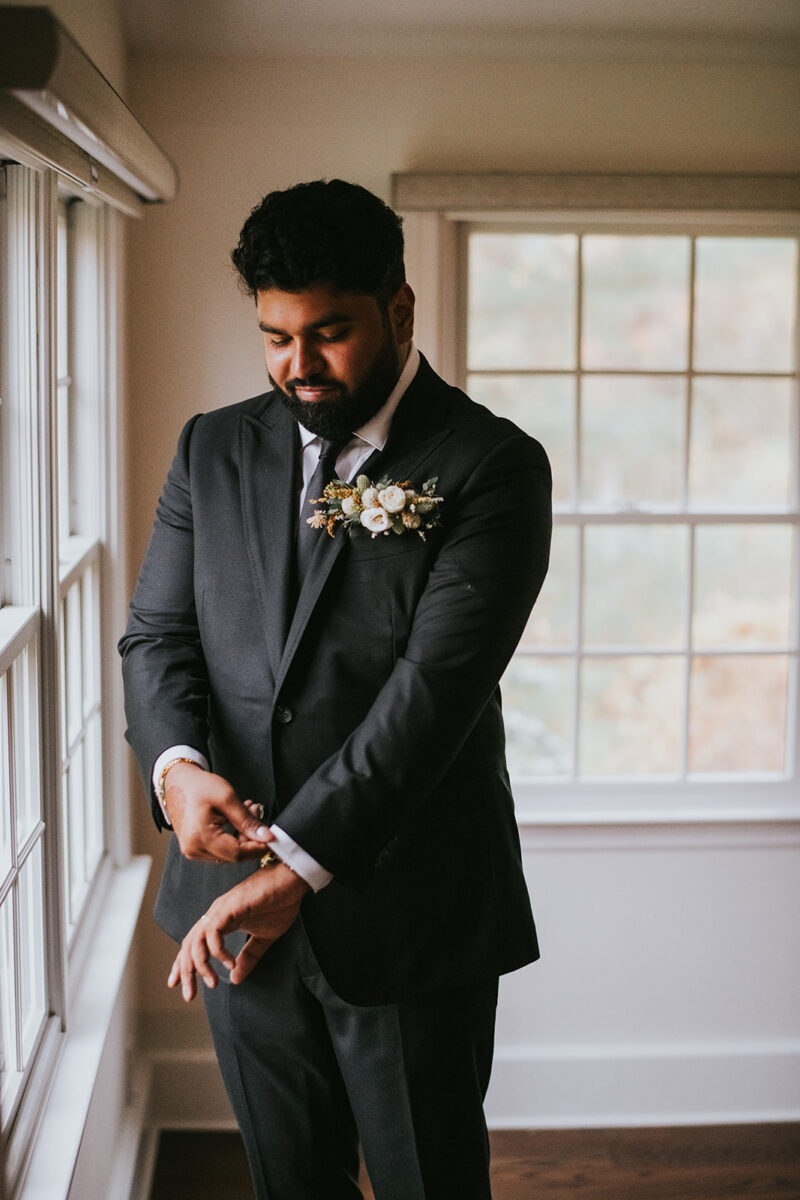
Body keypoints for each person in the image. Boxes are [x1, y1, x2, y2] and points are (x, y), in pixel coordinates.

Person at [119, 179, 552, 1200]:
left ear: (399, 310)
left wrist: (301, 866)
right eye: (274, 336)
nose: (297, 367)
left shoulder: (491, 466)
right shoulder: (209, 447)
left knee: (424, 1179)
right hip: (227, 904)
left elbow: (431, 697)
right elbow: (158, 636)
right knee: (289, 1181)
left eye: (329, 333)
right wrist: (178, 775)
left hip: (406, 908)